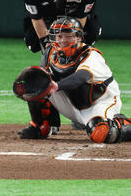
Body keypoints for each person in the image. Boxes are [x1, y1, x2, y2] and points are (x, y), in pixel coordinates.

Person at [17, 16, 131, 144]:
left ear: (79, 37)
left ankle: (122, 123)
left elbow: (81, 77)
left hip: (100, 102)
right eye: (59, 36)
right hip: (73, 103)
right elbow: (41, 78)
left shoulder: (90, 55)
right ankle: (41, 125)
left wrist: (56, 86)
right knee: (36, 84)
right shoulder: (50, 53)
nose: (62, 40)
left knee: (103, 133)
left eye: (68, 36)